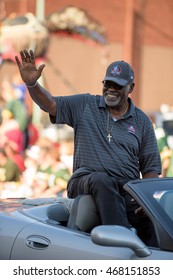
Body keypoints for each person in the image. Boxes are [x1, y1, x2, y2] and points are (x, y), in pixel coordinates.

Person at [15, 49, 162, 246]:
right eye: (107, 84)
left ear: (131, 88)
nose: (110, 89)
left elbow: (150, 167)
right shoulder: (86, 105)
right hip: (87, 180)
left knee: (153, 221)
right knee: (102, 180)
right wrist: (32, 84)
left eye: (117, 86)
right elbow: (50, 104)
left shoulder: (142, 121)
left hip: (126, 187)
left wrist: (148, 199)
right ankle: (121, 242)